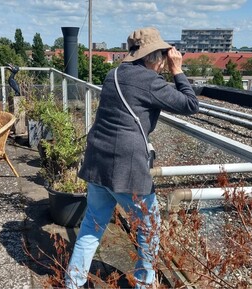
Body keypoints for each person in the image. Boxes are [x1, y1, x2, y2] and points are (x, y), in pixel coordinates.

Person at [65, 27, 199, 288]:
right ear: (154, 57)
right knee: (149, 229)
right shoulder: (149, 81)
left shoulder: (114, 73)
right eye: (162, 56)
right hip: (126, 169)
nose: (163, 61)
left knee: (92, 225)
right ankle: (144, 283)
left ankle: (73, 281)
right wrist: (177, 70)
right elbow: (190, 104)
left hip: (97, 161)